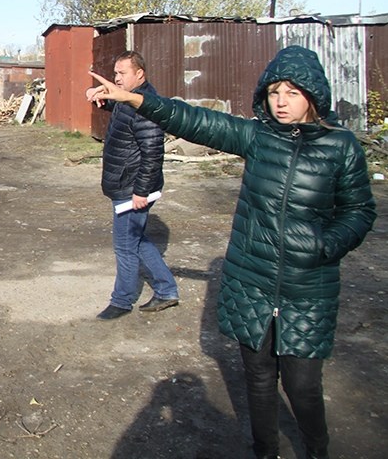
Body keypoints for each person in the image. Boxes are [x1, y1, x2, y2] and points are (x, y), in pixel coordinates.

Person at [88, 45, 376, 459]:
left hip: (307, 287)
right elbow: (195, 120)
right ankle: (266, 451)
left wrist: (325, 245)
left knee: (302, 386)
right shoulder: (258, 137)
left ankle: (317, 450)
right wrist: (136, 99)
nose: (280, 102)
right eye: (275, 92)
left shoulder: (341, 147)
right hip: (252, 281)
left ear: (313, 96)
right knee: (258, 380)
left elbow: (360, 211)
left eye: (292, 93)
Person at [85, 50, 180, 320]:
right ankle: (166, 290)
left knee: (125, 246)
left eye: (122, 73)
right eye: (115, 73)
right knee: (136, 241)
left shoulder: (146, 107)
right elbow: (115, 106)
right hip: (125, 185)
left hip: (132, 189)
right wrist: (93, 95)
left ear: (140, 73)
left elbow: (153, 153)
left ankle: (122, 301)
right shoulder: (128, 101)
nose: (117, 79)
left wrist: (142, 192)